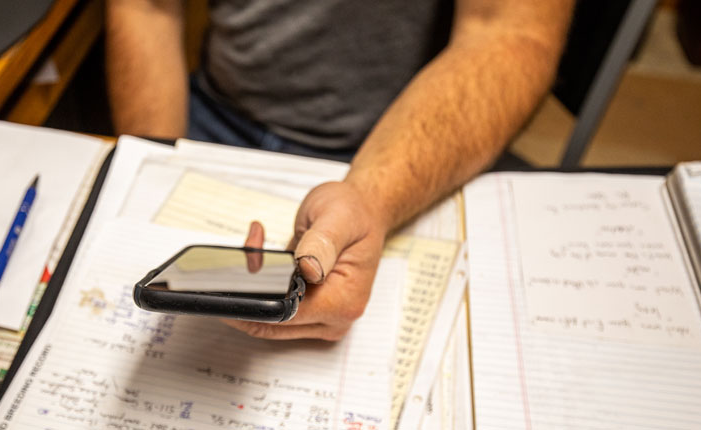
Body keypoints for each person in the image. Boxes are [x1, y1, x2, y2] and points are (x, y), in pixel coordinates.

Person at [106, 0, 574, 341]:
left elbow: (511, 32)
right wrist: (158, 165)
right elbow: (147, 7)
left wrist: (371, 195)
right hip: (212, 113)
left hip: (402, 139)